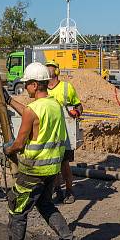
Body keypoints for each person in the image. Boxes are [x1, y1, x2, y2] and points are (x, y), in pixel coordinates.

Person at [0, 62, 86, 240]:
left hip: (33, 171)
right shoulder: (54, 105)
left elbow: (19, 142)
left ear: (34, 85)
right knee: (46, 206)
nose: (25, 88)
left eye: (27, 85)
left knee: (16, 208)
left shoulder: (33, 110)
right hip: (52, 171)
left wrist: (7, 150)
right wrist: (9, 101)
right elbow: (31, 112)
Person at [45, 60, 83, 204]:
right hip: (49, 132)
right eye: (46, 67)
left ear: (56, 70)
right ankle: (56, 190)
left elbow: (79, 105)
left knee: (64, 164)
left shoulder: (67, 87)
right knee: (52, 164)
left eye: (51, 67)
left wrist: (77, 112)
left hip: (66, 131)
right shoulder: (42, 88)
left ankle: (69, 191)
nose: (48, 69)